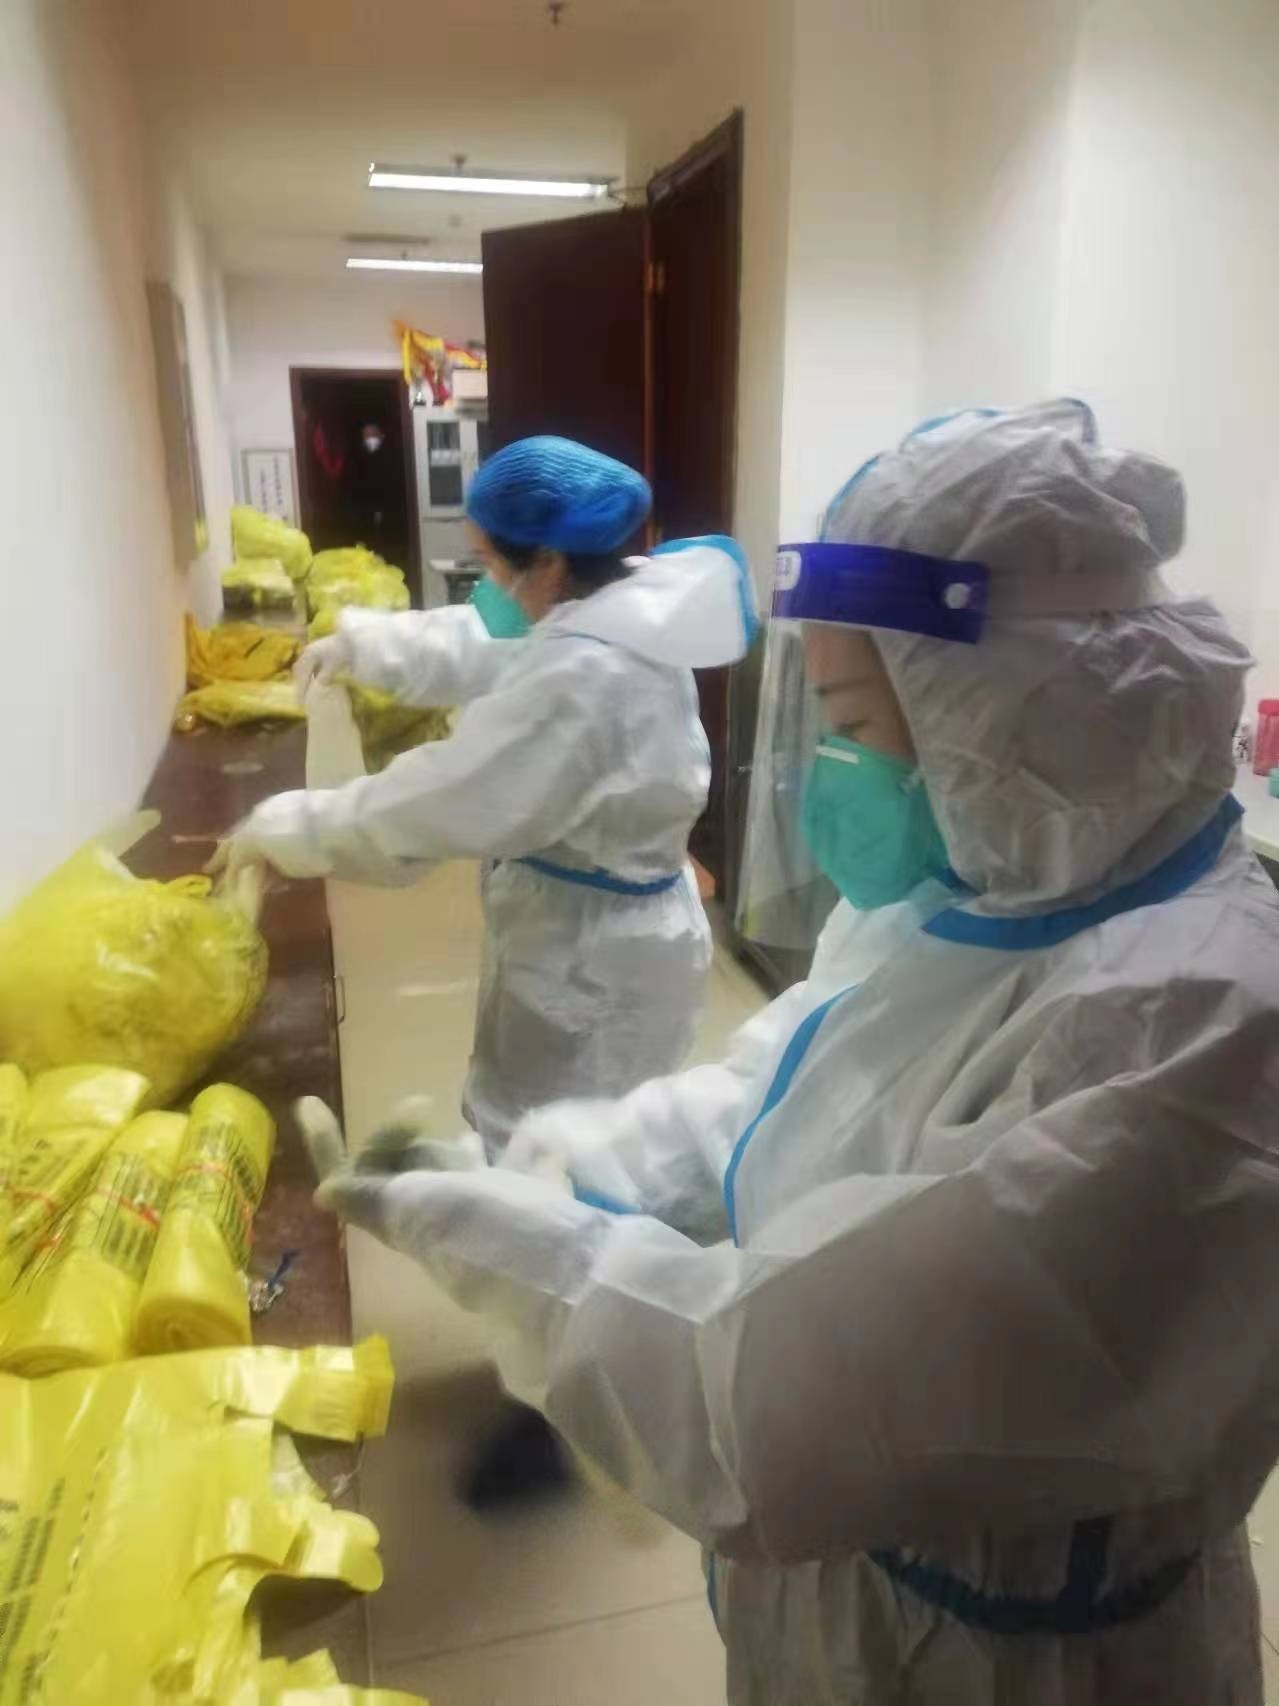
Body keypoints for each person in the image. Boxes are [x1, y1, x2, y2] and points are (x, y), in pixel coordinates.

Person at [303, 400, 1279, 1703]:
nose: (836, 773)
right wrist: (571, 1162)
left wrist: (501, 1243)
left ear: (1007, 715)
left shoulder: (1190, 1034)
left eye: (858, 728)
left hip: (1022, 1661)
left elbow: (760, 1404)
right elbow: (785, 1081)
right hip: (860, 1600)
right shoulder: (973, 896)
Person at [217, 435, 757, 1154]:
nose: (487, 583)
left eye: (491, 563)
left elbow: (442, 798)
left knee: (560, 1153)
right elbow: (485, 639)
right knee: (550, 1127)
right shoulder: (612, 607)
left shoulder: (587, 676)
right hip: (589, 926)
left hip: (591, 965)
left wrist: (292, 825)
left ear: (549, 562)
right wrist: (364, 646)